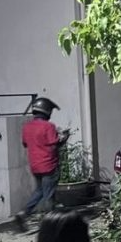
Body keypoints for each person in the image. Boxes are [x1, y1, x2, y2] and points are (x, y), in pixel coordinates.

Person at [15, 97, 70, 231]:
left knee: (40, 190)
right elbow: (55, 144)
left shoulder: (27, 127)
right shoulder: (48, 126)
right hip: (49, 165)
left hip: (35, 165)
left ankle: (24, 213)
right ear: (46, 112)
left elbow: (25, 143)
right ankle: (50, 224)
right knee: (48, 195)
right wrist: (64, 137)